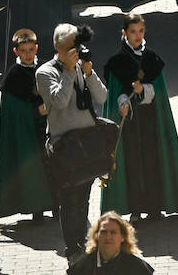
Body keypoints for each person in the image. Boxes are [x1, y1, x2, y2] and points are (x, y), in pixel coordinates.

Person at [101, 11, 178, 220]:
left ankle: (155, 206)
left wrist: (144, 89)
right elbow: (115, 90)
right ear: (124, 33)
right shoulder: (117, 60)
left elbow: (159, 90)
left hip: (151, 119)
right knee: (131, 163)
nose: (137, 35)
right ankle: (135, 209)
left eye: (140, 31)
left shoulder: (151, 58)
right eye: (133, 31)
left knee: (153, 161)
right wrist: (123, 102)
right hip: (130, 122)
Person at [36, 22, 110, 267]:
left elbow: (102, 96)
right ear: (58, 47)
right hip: (65, 147)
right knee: (69, 200)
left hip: (87, 143)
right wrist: (69, 71)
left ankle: (82, 244)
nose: (76, 51)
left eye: (77, 46)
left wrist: (88, 73)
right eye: (71, 47)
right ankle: (72, 249)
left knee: (84, 197)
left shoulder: (80, 66)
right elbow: (58, 101)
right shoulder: (44, 72)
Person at [0, 28, 53, 220]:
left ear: (36, 48)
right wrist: (35, 112)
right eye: (23, 51)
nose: (28, 54)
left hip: (49, 128)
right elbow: (13, 111)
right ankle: (37, 207)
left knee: (53, 166)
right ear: (16, 52)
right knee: (33, 167)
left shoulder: (45, 69)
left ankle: (56, 204)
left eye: (31, 49)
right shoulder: (13, 76)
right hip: (27, 131)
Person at [69, 212, 154, 275]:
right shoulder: (81, 268)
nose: (108, 237)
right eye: (103, 232)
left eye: (113, 232)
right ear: (96, 235)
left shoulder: (138, 268)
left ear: (122, 237)